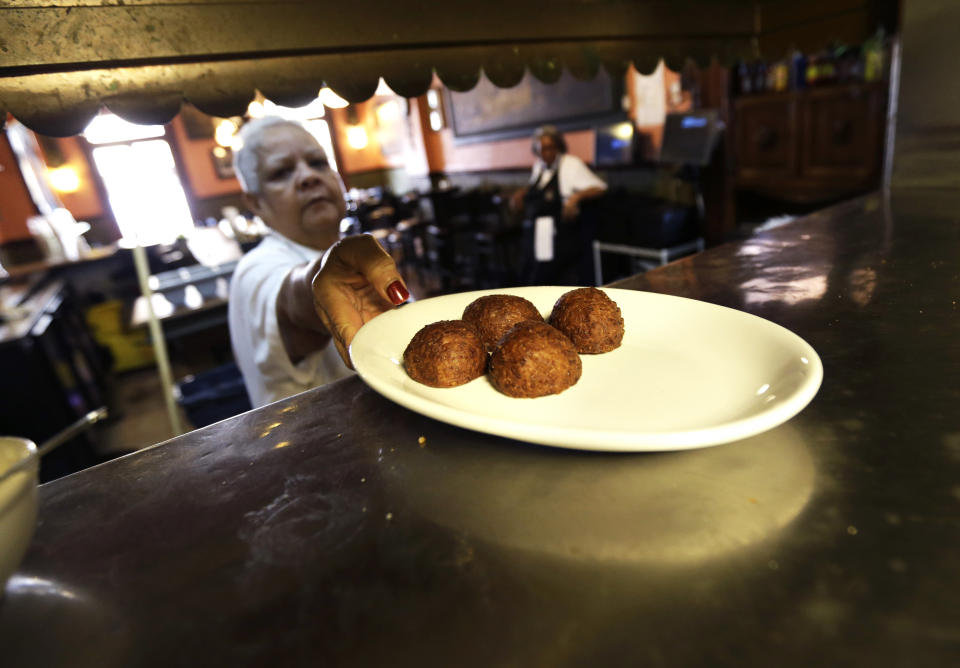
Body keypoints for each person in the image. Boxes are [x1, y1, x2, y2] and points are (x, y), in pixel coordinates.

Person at [228, 116, 410, 407]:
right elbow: (293, 299)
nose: (308, 177)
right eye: (281, 172)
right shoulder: (255, 269)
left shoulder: (351, 251)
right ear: (256, 203)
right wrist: (322, 282)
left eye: (317, 162)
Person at [509, 125, 607, 285]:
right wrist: (522, 193)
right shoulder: (539, 166)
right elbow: (538, 186)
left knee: (547, 278)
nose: (546, 153)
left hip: (560, 233)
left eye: (550, 148)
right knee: (530, 275)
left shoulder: (571, 164)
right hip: (536, 231)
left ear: (558, 146)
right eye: (541, 149)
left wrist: (576, 197)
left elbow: (600, 188)